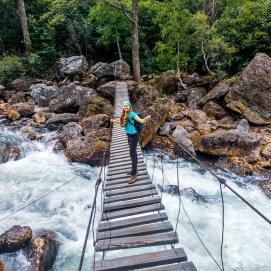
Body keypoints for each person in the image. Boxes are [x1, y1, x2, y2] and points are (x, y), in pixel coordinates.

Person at [111, 100, 151, 184]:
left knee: (133, 154)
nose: (125, 107)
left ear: (130, 107)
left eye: (127, 106)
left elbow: (142, 121)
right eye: (124, 106)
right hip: (128, 135)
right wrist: (113, 121)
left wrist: (147, 118)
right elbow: (121, 122)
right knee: (132, 153)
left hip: (134, 136)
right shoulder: (124, 114)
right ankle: (134, 169)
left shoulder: (132, 114)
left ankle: (134, 174)